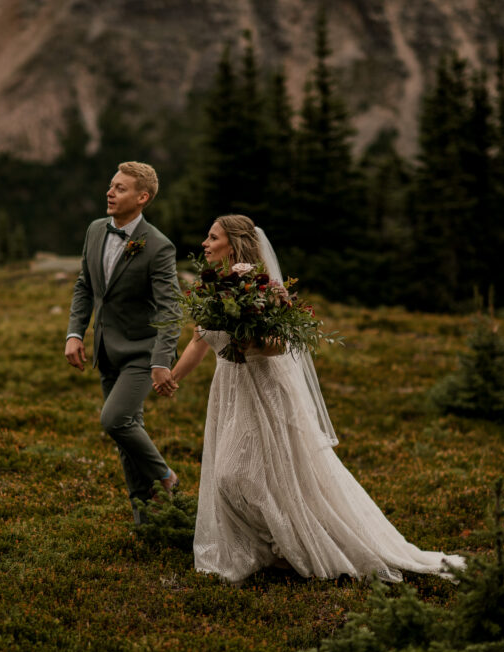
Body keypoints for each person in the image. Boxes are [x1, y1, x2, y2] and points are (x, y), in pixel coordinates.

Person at [164, 215, 464, 583]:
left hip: (264, 388)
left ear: (235, 244)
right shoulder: (213, 290)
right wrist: (172, 377)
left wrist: (249, 341)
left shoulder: (264, 290)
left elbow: (276, 346)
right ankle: (269, 548)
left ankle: (289, 542)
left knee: (239, 473)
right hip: (230, 390)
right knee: (237, 474)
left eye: (212, 238)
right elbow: (199, 339)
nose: (205, 244)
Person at [65, 162, 182, 524]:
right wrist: (74, 333)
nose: (110, 192)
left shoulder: (159, 247)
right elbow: (85, 285)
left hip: (142, 355)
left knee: (115, 420)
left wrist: (161, 361)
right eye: (111, 185)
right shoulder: (95, 230)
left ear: (142, 197)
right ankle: (144, 521)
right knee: (127, 437)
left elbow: (170, 310)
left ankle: (166, 477)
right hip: (106, 351)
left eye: (120, 188)